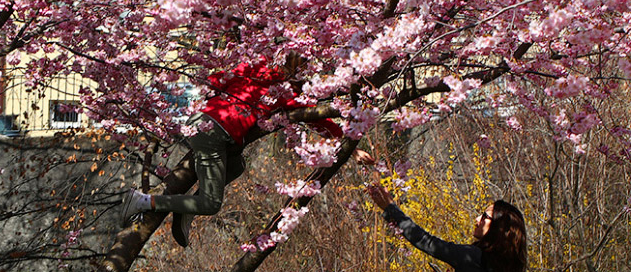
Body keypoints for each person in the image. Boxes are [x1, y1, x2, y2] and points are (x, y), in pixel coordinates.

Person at [119, 55, 374, 246]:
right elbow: (317, 119)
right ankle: (143, 201)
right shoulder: (285, 92)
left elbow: (215, 79)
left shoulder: (257, 65)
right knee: (210, 204)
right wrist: (352, 150)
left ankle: (186, 208)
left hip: (204, 122)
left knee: (237, 165)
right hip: (213, 133)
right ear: (297, 71)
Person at [367, 183, 527, 272]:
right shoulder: (511, 266)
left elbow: (425, 241)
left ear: (499, 228)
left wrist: (389, 208)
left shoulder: (473, 257)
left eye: (485, 216)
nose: (478, 219)